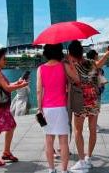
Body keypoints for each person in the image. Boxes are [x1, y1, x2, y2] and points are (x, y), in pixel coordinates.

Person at [68, 41, 109, 171]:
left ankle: (82, 161)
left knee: (78, 131)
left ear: (71, 53)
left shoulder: (71, 66)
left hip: (80, 101)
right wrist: (108, 54)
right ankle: (89, 157)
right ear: (81, 51)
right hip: (94, 99)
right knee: (92, 129)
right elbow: (100, 63)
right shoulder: (91, 62)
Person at [37, 44, 79, 173]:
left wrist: (39, 109)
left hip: (47, 108)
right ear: (59, 52)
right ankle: (64, 170)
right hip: (61, 107)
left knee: (49, 140)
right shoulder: (64, 66)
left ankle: (51, 169)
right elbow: (77, 79)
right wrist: (71, 65)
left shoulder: (41, 68)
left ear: (46, 53)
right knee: (63, 141)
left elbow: (39, 91)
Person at [0, 49, 29, 167]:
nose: (5, 60)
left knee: (11, 126)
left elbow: (7, 85)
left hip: (1, 108)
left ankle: (6, 152)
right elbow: (7, 88)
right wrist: (22, 85)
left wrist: (18, 82)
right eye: (3, 58)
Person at [86, 49, 109, 133]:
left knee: (94, 108)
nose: (98, 55)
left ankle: (94, 124)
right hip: (95, 90)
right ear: (94, 56)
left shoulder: (88, 65)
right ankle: (91, 126)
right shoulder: (94, 65)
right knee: (94, 108)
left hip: (94, 90)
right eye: (97, 54)